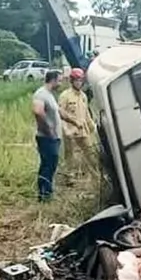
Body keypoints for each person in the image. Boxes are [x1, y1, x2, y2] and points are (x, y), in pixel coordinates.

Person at [32, 71, 63, 202]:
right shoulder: (41, 94)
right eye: (60, 81)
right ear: (53, 80)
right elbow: (38, 111)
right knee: (48, 165)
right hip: (47, 138)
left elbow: (57, 112)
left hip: (53, 138)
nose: (61, 83)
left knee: (50, 165)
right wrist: (48, 129)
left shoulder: (49, 95)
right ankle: (44, 194)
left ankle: (46, 192)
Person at [57, 68, 96, 172]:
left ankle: (95, 174)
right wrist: (65, 130)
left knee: (90, 152)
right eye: (76, 80)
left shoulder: (83, 96)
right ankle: (70, 177)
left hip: (83, 131)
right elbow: (60, 113)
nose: (79, 83)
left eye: (80, 80)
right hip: (70, 132)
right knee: (70, 156)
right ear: (72, 81)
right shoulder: (65, 96)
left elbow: (86, 113)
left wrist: (92, 126)